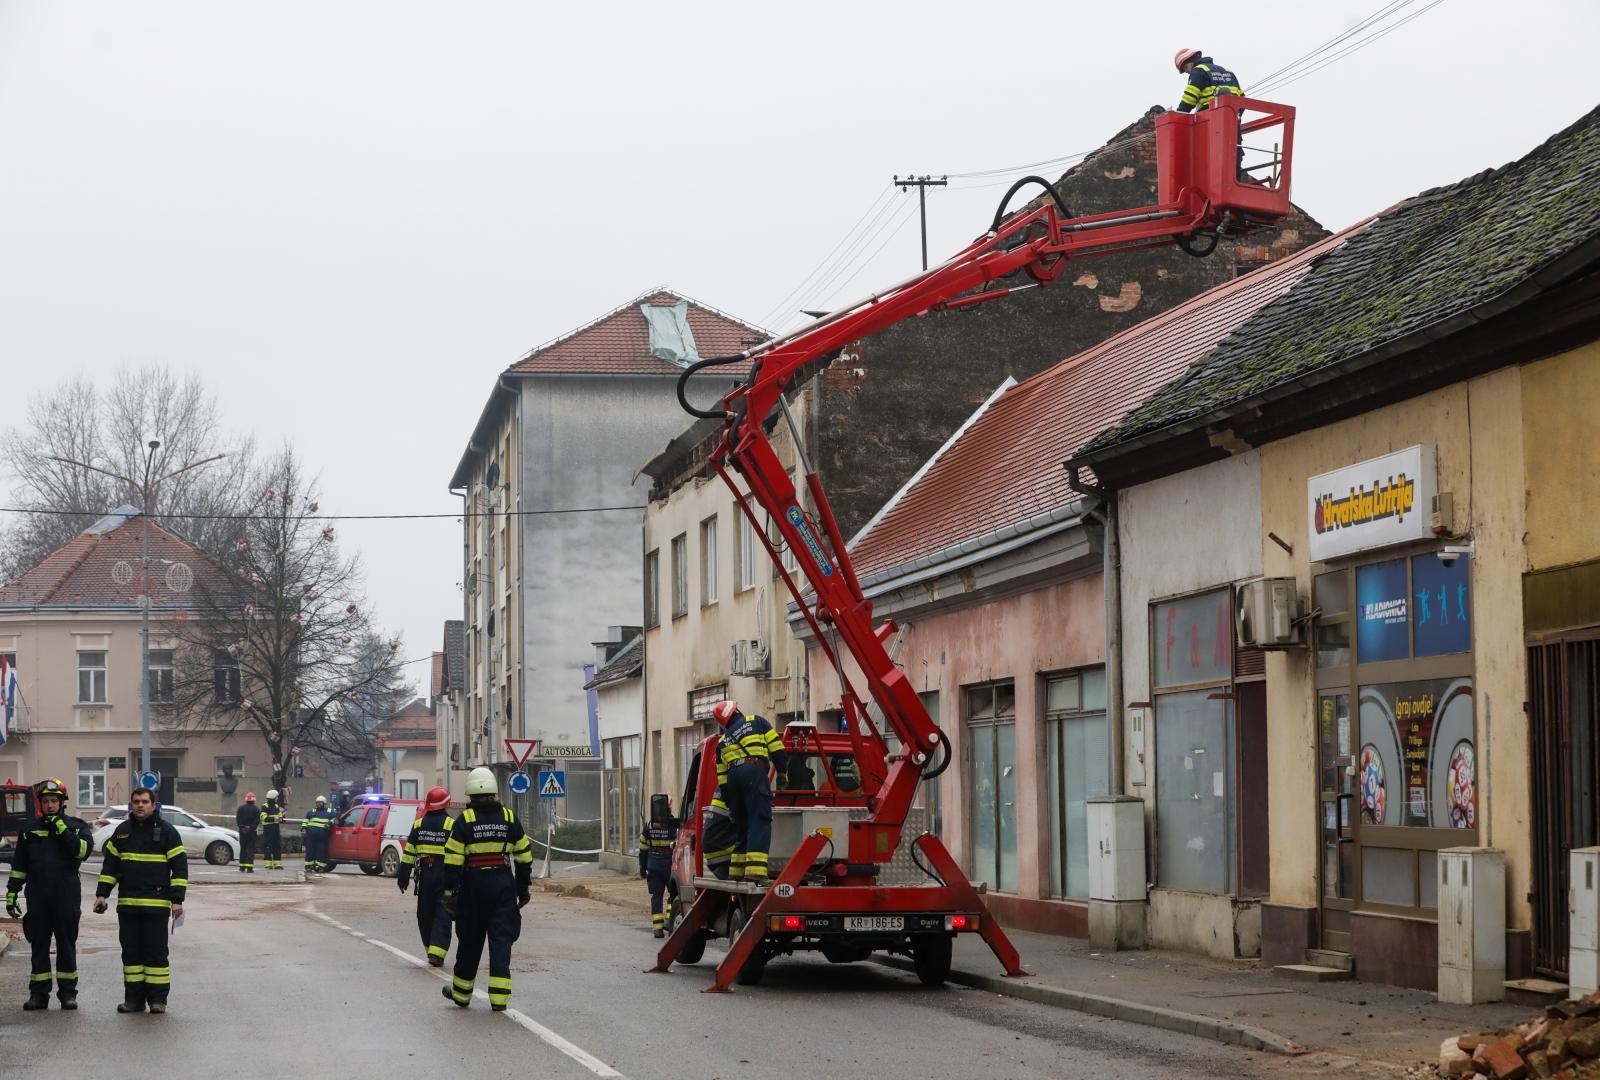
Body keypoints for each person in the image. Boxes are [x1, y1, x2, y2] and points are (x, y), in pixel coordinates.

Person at [440, 767, 532, 1011]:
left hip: (473, 886)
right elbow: (524, 855)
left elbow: (452, 860)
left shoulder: (465, 820)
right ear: (494, 791)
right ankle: (499, 999)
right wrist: (523, 887)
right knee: (501, 941)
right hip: (503, 885)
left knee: (470, 941)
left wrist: (449, 892)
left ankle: (461, 994)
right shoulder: (509, 818)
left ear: (470, 793)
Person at [94, 786, 186, 1014]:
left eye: (145, 802)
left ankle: (158, 1000)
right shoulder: (122, 832)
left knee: (156, 955)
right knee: (131, 956)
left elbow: (180, 868)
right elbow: (110, 867)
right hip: (128, 908)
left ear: (153, 805)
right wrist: (102, 894)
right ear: (131, 805)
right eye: (136, 802)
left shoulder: (168, 832)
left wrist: (177, 900)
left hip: (156, 907)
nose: (140, 805)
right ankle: (133, 1001)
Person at [6, 778, 93, 1011]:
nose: (50, 805)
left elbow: (82, 852)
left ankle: (68, 994)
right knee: (39, 946)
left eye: (54, 801)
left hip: (66, 896)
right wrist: (12, 892)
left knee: (66, 945)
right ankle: (38, 995)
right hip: (38, 896)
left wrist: (62, 829)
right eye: (46, 801)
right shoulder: (29, 829)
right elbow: (19, 865)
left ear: (62, 802)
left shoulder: (76, 826)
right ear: (40, 804)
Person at [711, 700, 789, 884]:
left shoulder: (722, 742)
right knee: (759, 820)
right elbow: (777, 748)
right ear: (736, 711)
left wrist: (731, 803)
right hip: (754, 772)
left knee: (742, 824)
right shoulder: (756, 721)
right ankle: (756, 872)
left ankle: (737, 871)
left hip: (732, 779)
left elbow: (722, 779)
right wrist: (782, 772)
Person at [397, 786, 454, 966]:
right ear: (446, 804)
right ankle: (437, 952)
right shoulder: (451, 825)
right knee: (443, 913)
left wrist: (403, 876)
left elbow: (409, 853)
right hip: (445, 874)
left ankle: (431, 949)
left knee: (424, 913)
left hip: (425, 875)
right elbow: (459, 854)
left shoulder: (419, 824)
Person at [637, 794, 678, 938]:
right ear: (669, 807)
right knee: (674, 894)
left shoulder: (648, 827)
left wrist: (642, 868)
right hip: (670, 866)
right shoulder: (674, 825)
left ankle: (657, 929)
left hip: (653, 866)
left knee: (656, 896)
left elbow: (643, 850)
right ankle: (669, 921)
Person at [1172, 49, 1243, 114]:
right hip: (1232, 120)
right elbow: (1242, 100)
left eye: (1186, 67)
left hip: (1209, 119)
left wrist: (1177, 116)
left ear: (1190, 60)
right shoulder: (1228, 71)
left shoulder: (1198, 71)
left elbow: (1189, 99)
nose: (1187, 71)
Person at [302, 795, 335, 872]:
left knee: (321, 851)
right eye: (317, 802)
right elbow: (306, 820)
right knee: (310, 850)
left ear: (324, 803)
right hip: (311, 836)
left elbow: (335, 819)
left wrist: (330, 823)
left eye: (320, 802)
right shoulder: (311, 812)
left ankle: (320, 867)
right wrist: (303, 828)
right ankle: (308, 866)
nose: (318, 804)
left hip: (323, 836)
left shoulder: (330, 812)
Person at [235, 792, 261, 874]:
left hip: (242, 832)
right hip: (252, 832)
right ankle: (249, 868)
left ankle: (242, 867)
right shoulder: (256, 809)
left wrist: (242, 827)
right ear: (254, 800)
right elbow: (257, 820)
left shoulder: (240, 808)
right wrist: (251, 828)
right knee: (250, 849)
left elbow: (238, 819)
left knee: (243, 848)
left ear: (246, 800)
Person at [260, 790, 284, 870]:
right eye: (276, 797)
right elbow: (264, 818)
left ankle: (277, 864)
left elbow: (280, 816)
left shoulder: (276, 806)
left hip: (276, 829)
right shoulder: (265, 806)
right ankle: (268, 864)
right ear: (273, 797)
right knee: (268, 846)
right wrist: (276, 819)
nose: (277, 798)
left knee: (277, 846)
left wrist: (281, 817)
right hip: (268, 830)